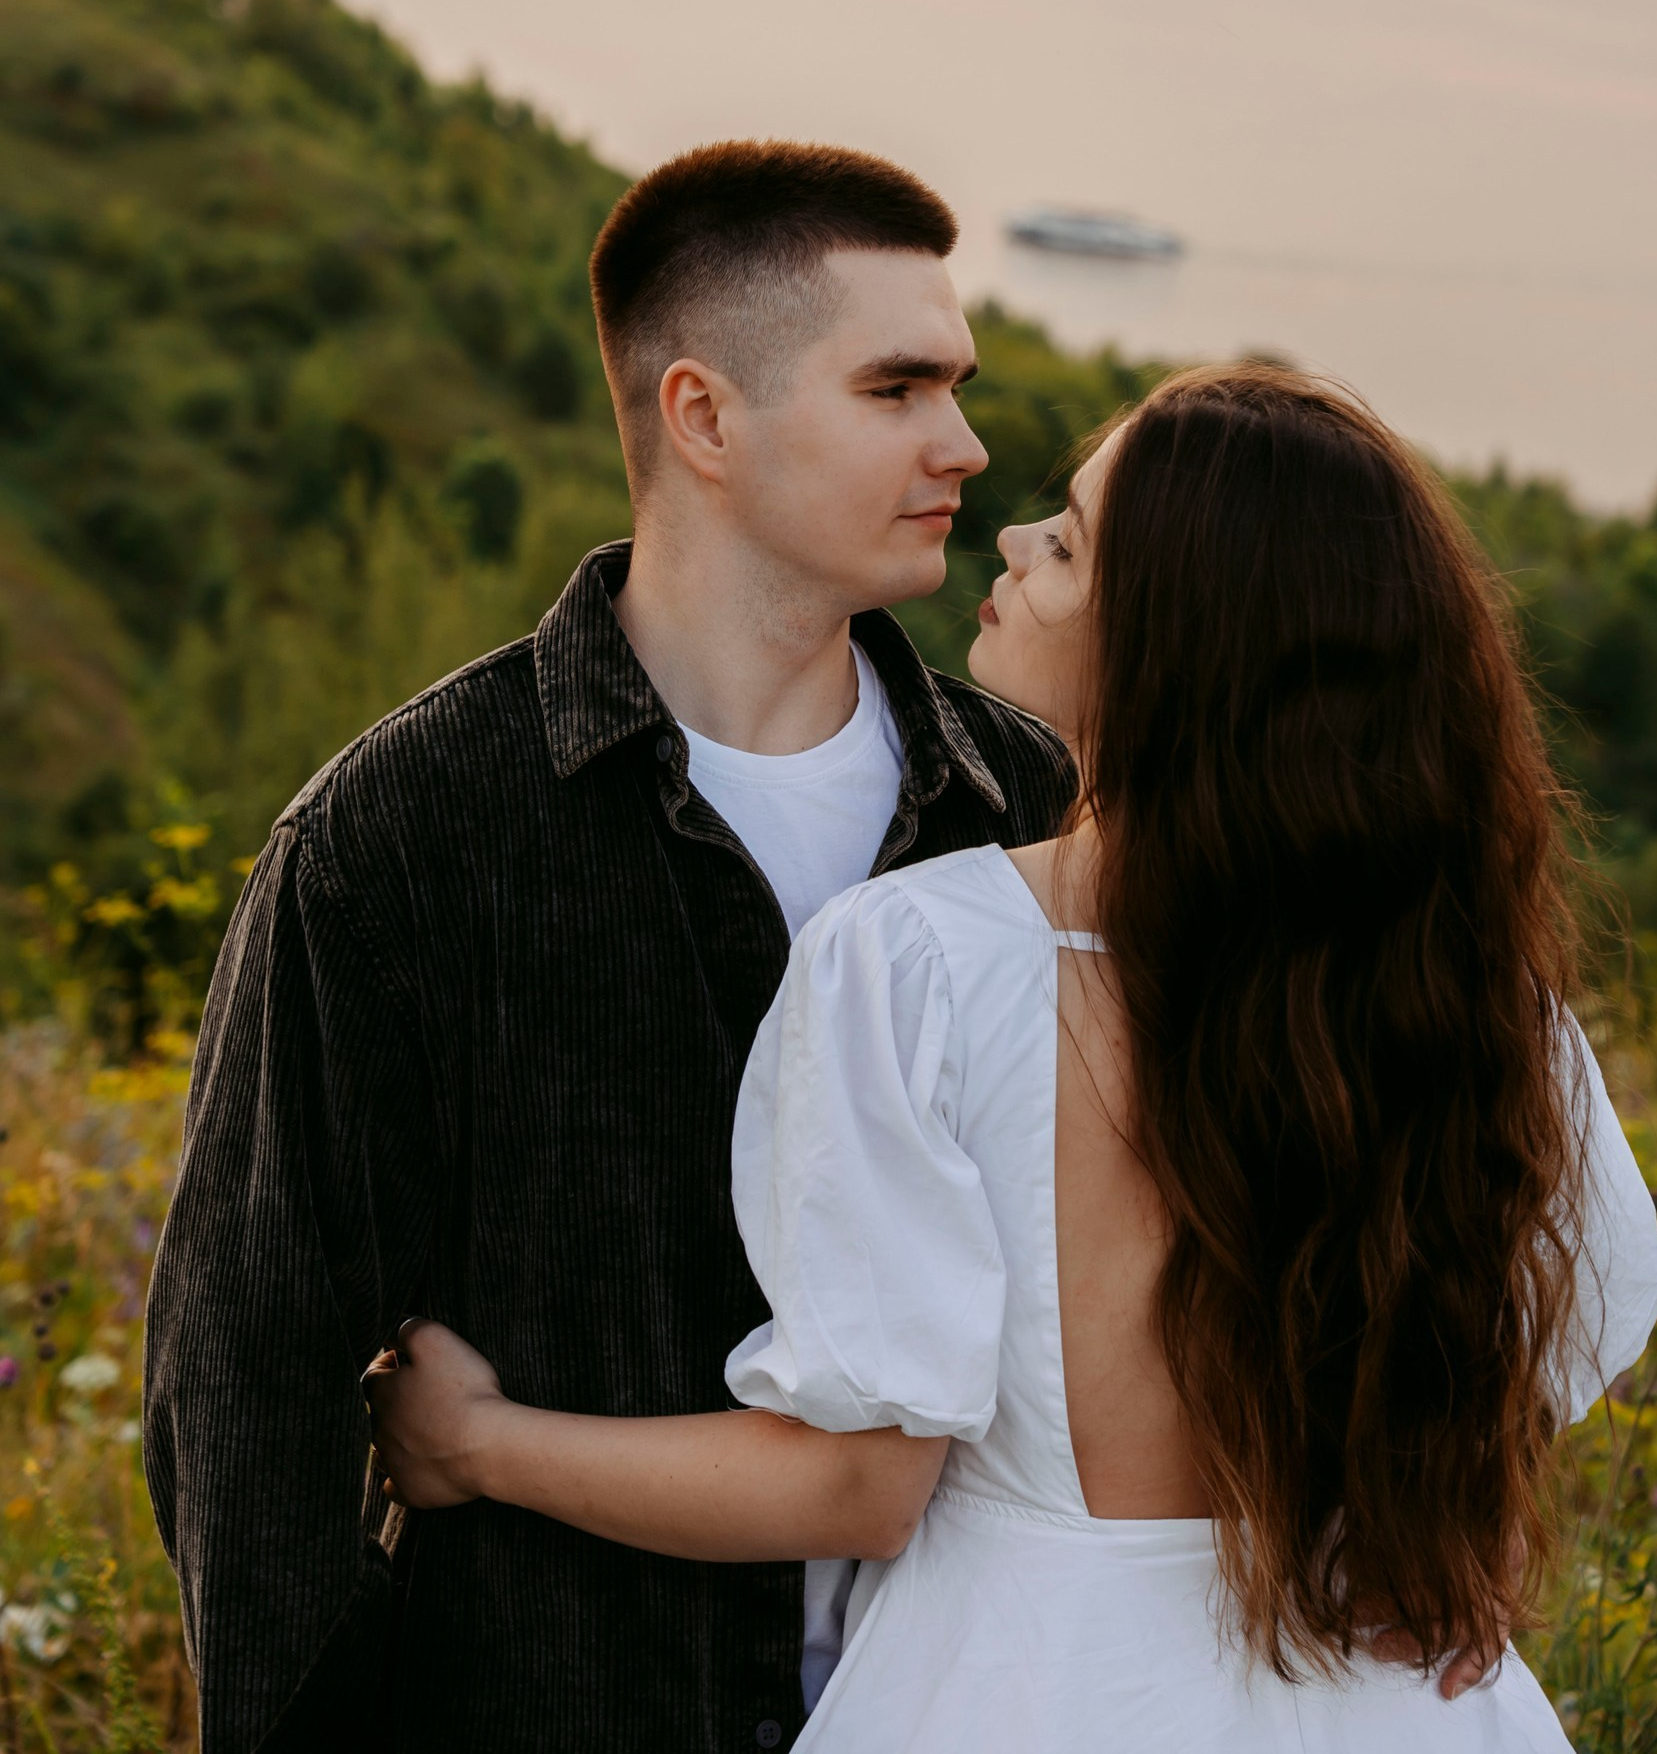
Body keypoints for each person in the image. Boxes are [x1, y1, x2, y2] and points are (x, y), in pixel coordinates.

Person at [367, 364, 1657, 1751]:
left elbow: (859, 1490)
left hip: (1027, 1687)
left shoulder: (921, 963)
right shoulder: (1471, 1009)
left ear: (1174, 645)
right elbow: (1559, 1343)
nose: (1013, 538)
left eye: (1071, 543)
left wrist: (478, 1443)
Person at [142, 141, 1074, 1754]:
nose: (964, 445)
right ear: (701, 416)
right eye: (897, 389)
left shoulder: (1031, 811)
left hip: (964, 1711)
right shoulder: (404, 834)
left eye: (956, 386)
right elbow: (247, 1376)